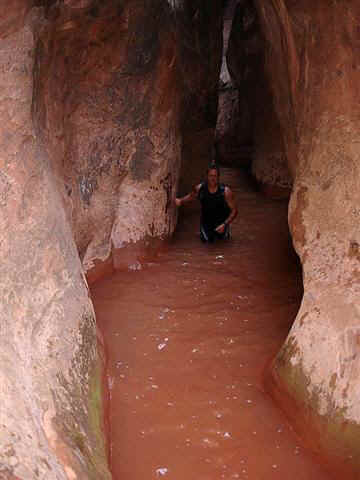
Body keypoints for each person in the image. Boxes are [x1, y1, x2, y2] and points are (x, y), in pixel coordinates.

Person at [175, 163, 238, 243]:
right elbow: (191, 197)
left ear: (218, 177)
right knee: (206, 246)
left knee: (223, 245)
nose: (213, 178)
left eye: (215, 176)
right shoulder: (200, 188)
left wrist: (225, 224)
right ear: (207, 176)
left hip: (222, 225)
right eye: (211, 176)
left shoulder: (226, 191)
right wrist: (180, 201)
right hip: (206, 226)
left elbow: (234, 211)